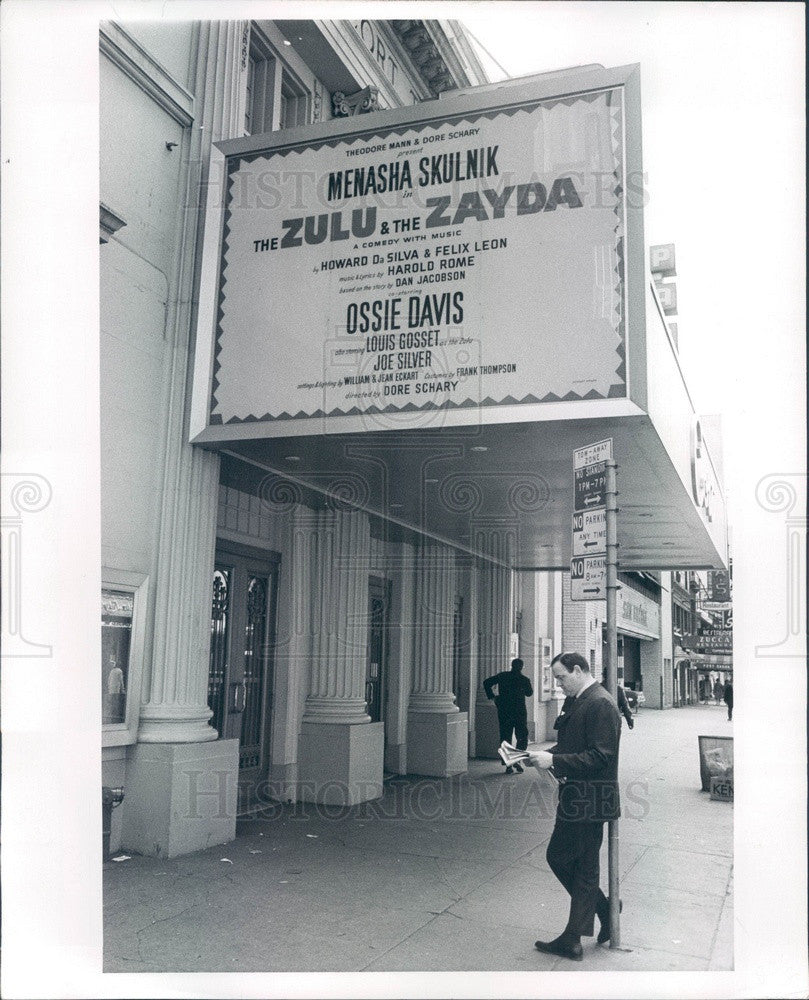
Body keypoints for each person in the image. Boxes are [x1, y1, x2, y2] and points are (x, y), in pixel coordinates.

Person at [526, 651, 621, 961]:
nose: (559, 685)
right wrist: (542, 755)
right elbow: (572, 746)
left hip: (589, 800)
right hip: (580, 797)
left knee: (560, 857)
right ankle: (587, 926)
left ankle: (598, 916)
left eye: (561, 677)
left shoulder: (600, 703)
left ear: (579, 670)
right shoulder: (581, 699)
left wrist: (554, 760)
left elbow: (600, 756)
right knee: (584, 866)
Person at [483, 657, 533, 774]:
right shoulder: (524, 679)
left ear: (511, 665)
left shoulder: (503, 676)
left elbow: (486, 683)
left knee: (505, 737)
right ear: (521, 667)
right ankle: (517, 760)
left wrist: (493, 697)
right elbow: (529, 693)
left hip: (504, 710)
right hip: (519, 712)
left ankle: (508, 765)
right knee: (522, 736)